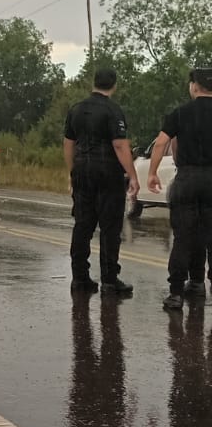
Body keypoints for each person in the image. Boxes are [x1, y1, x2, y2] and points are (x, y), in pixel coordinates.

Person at [63, 66, 139, 296]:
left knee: (83, 225)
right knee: (109, 226)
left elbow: (68, 144)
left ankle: (79, 277)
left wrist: (72, 172)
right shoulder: (113, 111)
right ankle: (109, 279)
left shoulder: (76, 110)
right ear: (114, 85)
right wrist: (133, 175)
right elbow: (119, 145)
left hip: (82, 169)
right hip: (107, 172)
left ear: (93, 83)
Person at [148, 66, 212, 311]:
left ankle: (176, 293)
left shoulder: (180, 113)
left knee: (184, 237)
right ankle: (197, 284)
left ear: (194, 86)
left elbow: (162, 143)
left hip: (187, 178)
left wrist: (152, 173)